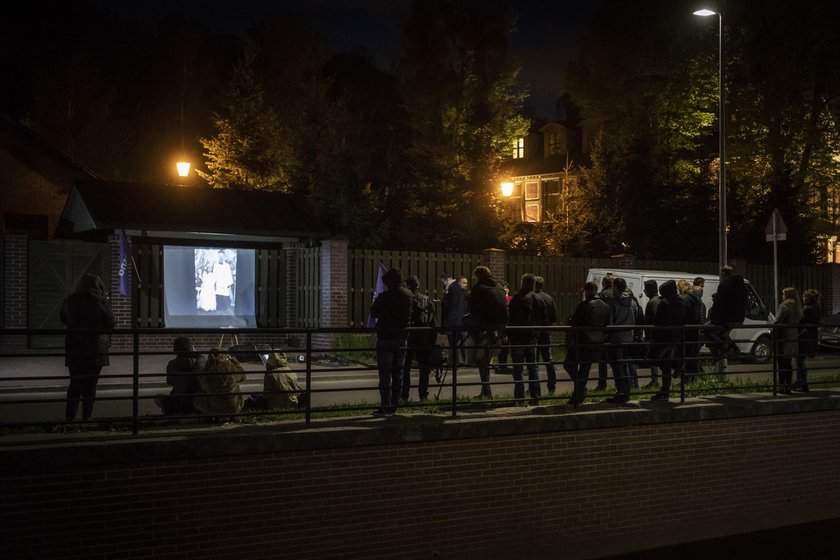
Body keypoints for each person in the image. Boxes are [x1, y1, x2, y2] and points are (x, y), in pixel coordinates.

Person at [60, 273, 115, 422]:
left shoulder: (70, 300)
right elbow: (110, 323)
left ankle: (69, 418)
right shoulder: (99, 301)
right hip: (95, 348)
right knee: (90, 385)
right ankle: (86, 418)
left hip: (75, 348)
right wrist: (105, 300)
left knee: (75, 383)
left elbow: (63, 319)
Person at [370, 267, 413, 415]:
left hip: (386, 337)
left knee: (385, 374)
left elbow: (373, 312)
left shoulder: (384, 297)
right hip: (402, 337)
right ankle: (395, 404)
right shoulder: (408, 296)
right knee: (398, 373)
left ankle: (385, 405)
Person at [463, 266, 509, 398]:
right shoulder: (499, 287)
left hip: (487, 326)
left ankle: (476, 341)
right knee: (485, 360)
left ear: (478, 276)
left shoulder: (479, 289)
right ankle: (485, 390)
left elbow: (473, 309)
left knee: (464, 320)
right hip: (501, 326)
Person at [565, 281, 609, 408]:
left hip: (582, 341)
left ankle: (579, 390)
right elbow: (607, 324)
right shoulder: (605, 306)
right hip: (597, 342)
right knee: (585, 368)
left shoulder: (584, 305)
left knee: (569, 364)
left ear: (588, 291)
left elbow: (575, 323)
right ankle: (578, 392)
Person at [605, 277, 643, 404]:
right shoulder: (632, 301)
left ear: (615, 287)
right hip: (629, 337)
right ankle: (627, 390)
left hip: (616, 337)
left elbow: (609, 321)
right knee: (625, 364)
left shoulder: (613, 302)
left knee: (617, 366)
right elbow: (637, 316)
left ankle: (621, 392)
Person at [650, 280, 687, 401]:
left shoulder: (664, 303)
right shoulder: (681, 302)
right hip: (677, 337)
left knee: (663, 363)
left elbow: (658, 321)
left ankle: (665, 389)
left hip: (664, 338)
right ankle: (677, 366)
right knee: (667, 362)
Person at [507, 273, 541, 405]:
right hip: (532, 338)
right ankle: (535, 396)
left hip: (517, 338)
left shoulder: (517, 298)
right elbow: (543, 317)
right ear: (533, 284)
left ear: (522, 283)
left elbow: (510, 317)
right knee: (533, 368)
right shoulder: (537, 299)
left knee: (518, 369)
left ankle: (520, 398)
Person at [706, 265, 747, 371]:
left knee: (706, 330)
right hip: (739, 318)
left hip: (726, 319)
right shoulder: (742, 285)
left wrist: (713, 318)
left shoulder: (724, 285)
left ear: (724, 274)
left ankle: (724, 349)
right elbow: (744, 301)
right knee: (720, 334)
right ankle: (728, 349)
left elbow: (719, 304)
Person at [402, 275, 436, 402]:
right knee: (424, 368)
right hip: (423, 337)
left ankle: (404, 395)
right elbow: (433, 322)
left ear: (408, 286)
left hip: (408, 336)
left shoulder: (406, 300)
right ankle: (423, 395)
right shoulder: (426, 300)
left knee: (405, 367)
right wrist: (432, 339)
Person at [155, 336, 204, 415]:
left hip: (180, 401)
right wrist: (195, 354)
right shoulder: (200, 360)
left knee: (158, 398)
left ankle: (170, 413)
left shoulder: (173, 364)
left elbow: (170, 382)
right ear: (190, 348)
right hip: (197, 401)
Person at [194, 349, 247, 418]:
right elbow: (243, 376)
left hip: (215, 408)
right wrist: (234, 360)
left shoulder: (207, 371)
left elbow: (204, 387)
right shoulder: (231, 367)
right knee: (236, 387)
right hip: (234, 408)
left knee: (199, 395)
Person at [774, 287, 802, 395]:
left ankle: (781, 386)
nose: (782, 296)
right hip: (793, 337)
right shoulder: (797, 307)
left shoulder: (784, 306)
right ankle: (788, 386)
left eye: (783, 294)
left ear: (787, 295)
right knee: (788, 363)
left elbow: (777, 321)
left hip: (783, 337)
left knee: (781, 363)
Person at [534, 276, 558, 394]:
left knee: (535, 360)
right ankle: (552, 385)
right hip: (546, 331)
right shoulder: (549, 298)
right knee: (548, 359)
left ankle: (535, 386)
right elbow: (554, 317)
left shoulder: (533, 298)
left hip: (535, 332)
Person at [795, 289, 821, 393]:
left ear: (808, 298)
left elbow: (799, 320)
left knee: (799, 361)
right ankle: (802, 384)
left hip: (804, 337)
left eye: (804, 297)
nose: (802, 299)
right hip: (811, 337)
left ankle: (802, 383)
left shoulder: (807, 309)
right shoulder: (817, 307)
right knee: (801, 360)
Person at [440, 272, 467, 368]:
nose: (443, 284)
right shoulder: (457, 288)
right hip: (458, 319)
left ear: (447, 279)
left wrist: (443, 301)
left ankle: (453, 362)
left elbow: (452, 304)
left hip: (453, 321)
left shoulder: (453, 288)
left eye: (443, 281)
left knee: (453, 342)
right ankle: (455, 361)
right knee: (456, 342)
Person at [678, 279, 703, 377]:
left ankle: (686, 380)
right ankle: (693, 378)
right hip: (694, 331)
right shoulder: (696, 298)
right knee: (692, 356)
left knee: (686, 355)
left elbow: (682, 315)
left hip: (687, 331)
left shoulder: (685, 299)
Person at [595, 274, 615, 390]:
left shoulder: (602, 295)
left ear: (603, 283)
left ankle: (602, 384)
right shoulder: (617, 294)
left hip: (605, 329)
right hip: (615, 329)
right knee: (616, 359)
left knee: (602, 359)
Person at [642, 280, 661, 387]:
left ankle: (655, 381)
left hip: (653, 336)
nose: (644, 291)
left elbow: (653, 319)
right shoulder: (657, 300)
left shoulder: (653, 302)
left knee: (653, 359)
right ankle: (655, 381)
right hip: (655, 335)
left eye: (646, 289)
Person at [495, 280, 513, 373]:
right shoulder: (499, 299)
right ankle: (501, 364)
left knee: (506, 345)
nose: (506, 290)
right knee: (501, 345)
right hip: (501, 325)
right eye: (504, 288)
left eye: (507, 288)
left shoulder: (511, 299)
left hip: (508, 325)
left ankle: (503, 364)